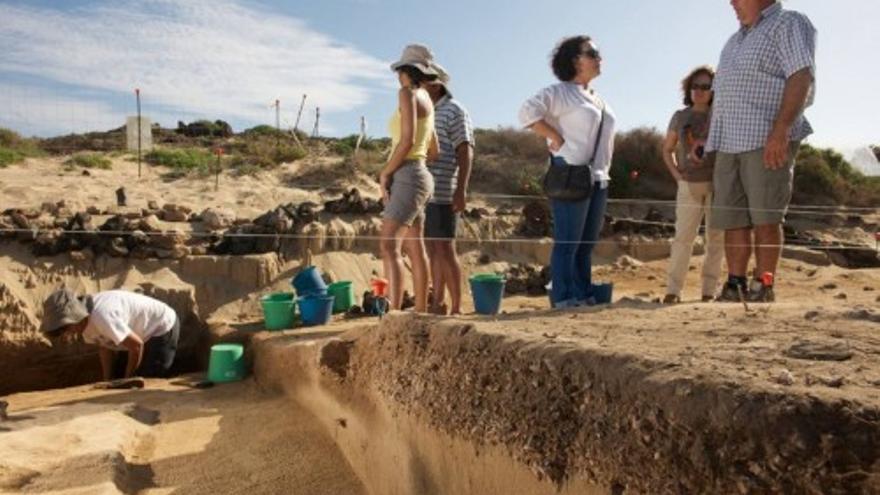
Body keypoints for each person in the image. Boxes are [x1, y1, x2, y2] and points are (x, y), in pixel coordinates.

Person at [707, 0, 816, 302]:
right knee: (733, 219)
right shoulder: (733, 40)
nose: (731, 2)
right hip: (728, 141)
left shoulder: (788, 23)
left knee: (766, 217)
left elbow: (801, 75)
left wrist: (781, 130)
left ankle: (763, 286)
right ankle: (735, 284)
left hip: (765, 137)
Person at [519, 35, 616, 308]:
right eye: (593, 53)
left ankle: (582, 293)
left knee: (586, 243)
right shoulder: (560, 92)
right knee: (568, 241)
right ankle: (563, 296)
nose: (599, 58)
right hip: (571, 171)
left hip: (598, 176)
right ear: (575, 60)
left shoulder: (597, 98)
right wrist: (554, 137)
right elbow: (527, 112)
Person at [380, 44, 440, 313]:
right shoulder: (428, 99)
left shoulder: (406, 94)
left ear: (404, 70)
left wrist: (386, 172)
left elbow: (405, 141)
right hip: (422, 175)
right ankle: (420, 312)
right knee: (416, 248)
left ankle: (393, 313)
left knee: (389, 244)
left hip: (408, 173)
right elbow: (434, 150)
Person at [662, 66, 725, 304]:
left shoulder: (720, 115)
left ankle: (708, 291)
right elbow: (667, 150)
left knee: (715, 239)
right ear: (688, 90)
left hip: (717, 185)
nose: (699, 91)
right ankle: (672, 291)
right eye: (695, 86)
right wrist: (677, 175)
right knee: (683, 239)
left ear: (713, 90)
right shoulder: (680, 117)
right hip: (688, 184)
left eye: (705, 86)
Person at [40, 289, 180, 380]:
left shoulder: (103, 317)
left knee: (148, 380)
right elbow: (105, 346)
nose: (66, 334)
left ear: (75, 317)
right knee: (118, 378)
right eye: (62, 330)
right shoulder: (83, 325)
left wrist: (128, 380)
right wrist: (107, 380)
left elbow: (137, 346)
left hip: (161, 326)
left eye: (66, 328)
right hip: (135, 333)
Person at [423, 70, 475, 315]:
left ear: (435, 85)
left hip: (445, 189)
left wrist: (461, 190)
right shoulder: (425, 110)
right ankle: (438, 302)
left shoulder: (455, 110)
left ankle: (456, 307)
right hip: (425, 192)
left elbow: (465, 150)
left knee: (445, 248)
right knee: (432, 248)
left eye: (422, 81)